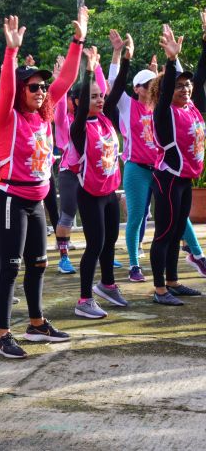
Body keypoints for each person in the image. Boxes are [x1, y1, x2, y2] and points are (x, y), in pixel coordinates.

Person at [0, 10, 86, 359]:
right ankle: (2, 335)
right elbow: (5, 88)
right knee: (10, 266)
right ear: (20, 91)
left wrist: (78, 41)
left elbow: (66, 81)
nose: (42, 91)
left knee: (40, 263)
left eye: (43, 87)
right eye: (33, 87)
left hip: (35, 200)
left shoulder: (43, 115)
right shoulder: (6, 117)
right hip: (10, 198)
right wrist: (11, 52)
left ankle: (36, 323)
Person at [106, 29, 206, 282]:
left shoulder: (171, 106)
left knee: (179, 219)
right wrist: (118, 55)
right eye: (148, 83)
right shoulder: (129, 105)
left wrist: (175, 60)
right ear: (137, 88)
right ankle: (134, 264)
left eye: (156, 81)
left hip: (163, 169)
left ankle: (197, 255)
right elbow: (114, 85)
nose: (154, 85)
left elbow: (186, 86)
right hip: (138, 169)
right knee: (137, 218)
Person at [69, 46, 129, 318]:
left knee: (110, 241)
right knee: (94, 244)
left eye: (100, 96)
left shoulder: (106, 119)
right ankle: (84, 299)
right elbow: (82, 104)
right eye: (93, 97)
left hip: (110, 192)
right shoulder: (79, 127)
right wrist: (89, 70)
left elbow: (115, 93)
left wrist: (124, 58)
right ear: (81, 101)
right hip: (89, 194)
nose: (100, 100)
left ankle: (107, 284)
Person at [149, 21, 206, 305]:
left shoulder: (192, 108)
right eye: (179, 87)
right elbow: (170, 81)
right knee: (164, 232)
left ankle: (172, 281)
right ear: (167, 91)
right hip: (169, 177)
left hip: (185, 179)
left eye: (188, 86)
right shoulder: (164, 113)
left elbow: (202, 77)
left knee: (176, 232)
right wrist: (172, 61)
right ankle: (160, 289)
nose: (185, 90)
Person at [52, 54, 109, 275]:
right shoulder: (66, 121)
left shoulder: (96, 119)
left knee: (96, 217)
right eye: (89, 97)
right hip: (70, 173)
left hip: (90, 173)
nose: (96, 99)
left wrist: (98, 68)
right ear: (76, 101)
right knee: (67, 214)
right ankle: (64, 258)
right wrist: (61, 82)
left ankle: (102, 254)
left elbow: (101, 92)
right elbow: (58, 106)